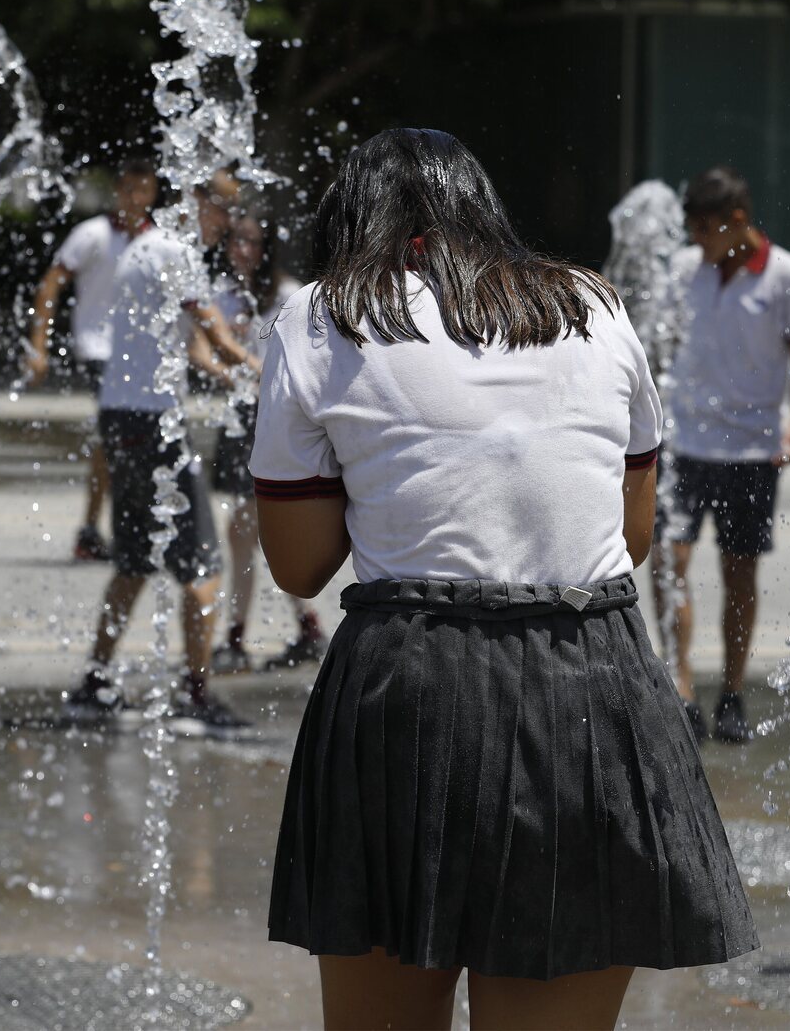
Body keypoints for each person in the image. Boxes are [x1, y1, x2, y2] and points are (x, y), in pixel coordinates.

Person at [253, 129, 756, 1031]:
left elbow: (299, 563)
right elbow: (631, 532)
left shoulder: (322, 313)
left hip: (410, 689)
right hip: (593, 686)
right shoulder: (596, 305)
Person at [60, 176, 253, 736]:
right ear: (196, 201)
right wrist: (277, 376)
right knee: (203, 567)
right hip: (152, 424)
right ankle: (196, 696)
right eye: (225, 209)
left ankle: (95, 684)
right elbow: (215, 335)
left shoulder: (145, 247)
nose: (231, 222)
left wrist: (234, 378)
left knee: (135, 559)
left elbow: (191, 347)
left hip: (120, 418)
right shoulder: (175, 250)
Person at [651, 167, 790, 744]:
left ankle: (731, 691)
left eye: (705, 229)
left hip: (750, 449)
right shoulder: (682, 270)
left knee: (739, 571)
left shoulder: (787, 275)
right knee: (668, 564)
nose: (696, 241)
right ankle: (680, 687)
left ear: (738, 221)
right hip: (684, 444)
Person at [195, 213, 326, 674]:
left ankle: (244, 635)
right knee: (247, 531)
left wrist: (256, 369)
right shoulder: (223, 294)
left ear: (265, 246)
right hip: (242, 414)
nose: (241, 250)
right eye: (235, 242)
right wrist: (236, 371)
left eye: (250, 241)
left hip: (277, 415)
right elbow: (201, 352)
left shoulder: (290, 294)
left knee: (249, 529)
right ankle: (303, 627)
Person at [25, 158, 159, 562]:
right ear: (118, 191)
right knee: (118, 439)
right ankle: (112, 529)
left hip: (142, 356)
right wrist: (38, 344)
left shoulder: (158, 238)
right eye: (129, 189)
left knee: (127, 440)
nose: (136, 199)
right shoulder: (93, 235)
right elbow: (50, 285)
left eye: (144, 190)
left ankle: (112, 527)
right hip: (99, 348)